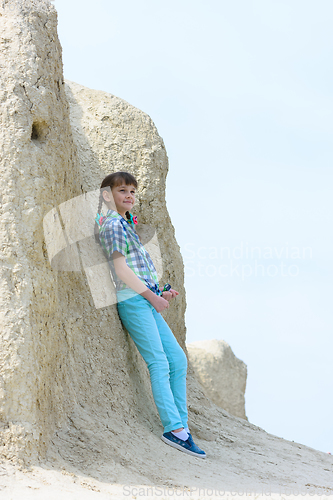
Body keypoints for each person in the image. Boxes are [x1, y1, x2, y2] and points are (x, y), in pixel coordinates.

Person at [94, 171, 206, 459]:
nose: (129, 195)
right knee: (158, 361)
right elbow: (120, 271)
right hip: (133, 301)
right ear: (108, 195)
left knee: (177, 359)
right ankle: (174, 430)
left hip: (145, 298)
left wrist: (161, 291)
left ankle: (182, 427)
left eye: (132, 191)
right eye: (122, 191)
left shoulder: (127, 225)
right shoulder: (113, 225)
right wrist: (152, 297)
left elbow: (138, 268)